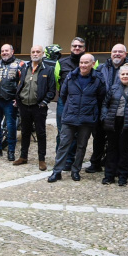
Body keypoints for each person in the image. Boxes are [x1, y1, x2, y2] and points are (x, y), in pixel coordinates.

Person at [48, 54, 107, 183]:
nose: (83, 65)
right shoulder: (70, 76)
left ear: (92, 64)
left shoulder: (98, 79)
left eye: (86, 63)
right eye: (81, 62)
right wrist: (72, 107)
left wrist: (92, 110)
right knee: (64, 144)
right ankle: (57, 172)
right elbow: (63, 95)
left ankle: (76, 171)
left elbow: (101, 98)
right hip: (70, 116)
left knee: (81, 146)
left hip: (87, 118)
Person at [86, 43, 128, 173]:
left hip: (121, 110)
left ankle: (112, 164)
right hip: (102, 107)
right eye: (115, 51)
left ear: (125, 54)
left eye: (120, 52)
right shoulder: (101, 68)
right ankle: (95, 163)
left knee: (116, 140)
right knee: (98, 137)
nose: (117, 54)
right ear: (111, 53)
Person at [101, 65, 128, 186]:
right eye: (122, 74)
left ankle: (122, 176)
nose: (125, 76)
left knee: (124, 150)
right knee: (111, 149)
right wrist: (104, 117)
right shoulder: (114, 88)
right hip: (113, 121)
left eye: (127, 74)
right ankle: (109, 176)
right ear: (119, 75)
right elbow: (105, 104)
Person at [14, 45, 55, 171]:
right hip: (24, 106)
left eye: (38, 52)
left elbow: (52, 90)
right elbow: (18, 83)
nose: (35, 54)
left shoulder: (48, 69)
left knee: (41, 133)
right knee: (25, 132)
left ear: (42, 54)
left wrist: (44, 102)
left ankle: (41, 159)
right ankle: (23, 156)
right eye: (33, 52)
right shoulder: (24, 67)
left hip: (39, 107)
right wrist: (18, 98)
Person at [0, 44, 24, 161]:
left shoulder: (20, 64)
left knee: (11, 126)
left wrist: (18, 98)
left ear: (12, 51)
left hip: (10, 101)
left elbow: (22, 84)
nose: (4, 53)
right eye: (2, 51)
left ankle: (11, 151)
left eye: (6, 50)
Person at [54, 37, 87, 169]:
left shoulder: (90, 62)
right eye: (74, 46)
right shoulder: (61, 63)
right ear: (71, 47)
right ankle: (59, 159)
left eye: (80, 46)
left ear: (84, 48)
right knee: (62, 131)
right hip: (64, 102)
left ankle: (69, 160)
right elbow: (57, 82)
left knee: (76, 132)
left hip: (82, 104)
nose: (77, 48)